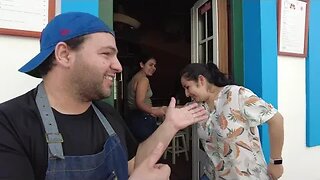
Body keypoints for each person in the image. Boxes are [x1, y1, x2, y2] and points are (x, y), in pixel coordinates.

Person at [0, 12, 209, 180]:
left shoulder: (106, 114)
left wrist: (170, 125)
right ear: (64, 55)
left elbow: (133, 164)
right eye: (106, 54)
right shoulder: (9, 124)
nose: (118, 66)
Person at [180, 63, 284, 180]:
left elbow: (276, 120)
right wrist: (157, 110)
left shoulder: (236, 95)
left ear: (201, 80)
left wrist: (276, 162)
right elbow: (174, 111)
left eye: (187, 87)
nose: (186, 94)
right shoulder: (200, 107)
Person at [126, 53, 166, 142]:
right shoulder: (143, 79)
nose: (154, 68)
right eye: (150, 65)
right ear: (142, 64)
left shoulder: (134, 78)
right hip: (143, 119)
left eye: (154, 65)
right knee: (149, 150)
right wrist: (154, 111)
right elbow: (139, 103)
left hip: (134, 118)